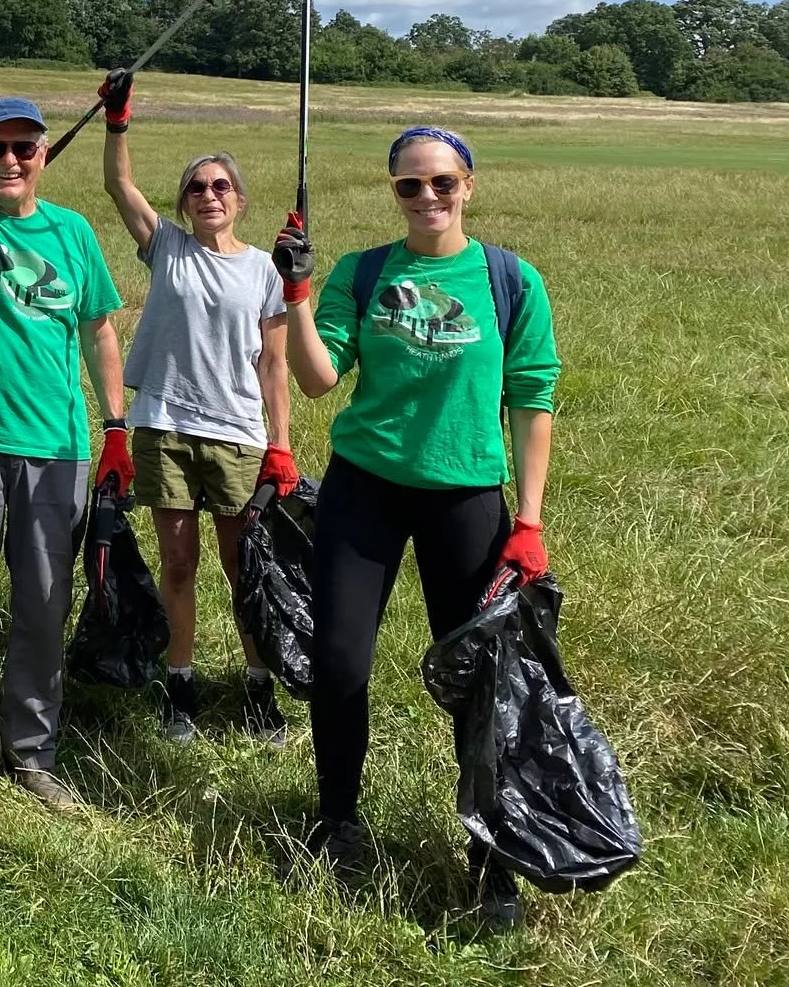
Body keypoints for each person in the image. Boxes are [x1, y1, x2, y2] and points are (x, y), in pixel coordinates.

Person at [272, 126, 559, 930]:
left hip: (466, 495)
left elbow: (533, 397)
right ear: (392, 191)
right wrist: (296, 298)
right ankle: (338, 821)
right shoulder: (363, 273)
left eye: (441, 183)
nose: (426, 197)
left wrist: (527, 520)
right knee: (337, 661)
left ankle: (491, 853)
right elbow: (321, 379)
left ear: (470, 185)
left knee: (480, 682)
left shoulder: (509, 280)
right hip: (365, 488)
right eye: (409, 185)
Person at [0, 0, 129, 809]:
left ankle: (33, 751)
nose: (9, 159)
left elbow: (101, 330)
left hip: (57, 444)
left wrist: (115, 425)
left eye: (23, 148)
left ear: (44, 156)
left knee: (44, 605)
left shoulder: (73, 234)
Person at [97, 70, 294, 745]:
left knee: (244, 567)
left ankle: (257, 686)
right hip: (166, 428)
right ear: (182, 203)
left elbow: (275, 363)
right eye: (196, 187)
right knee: (178, 564)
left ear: (239, 200)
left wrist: (280, 442)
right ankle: (179, 684)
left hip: (238, 434)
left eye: (220, 186)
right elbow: (119, 188)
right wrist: (117, 121)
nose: (207, 195)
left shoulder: (266, 270)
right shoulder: (168, 249)